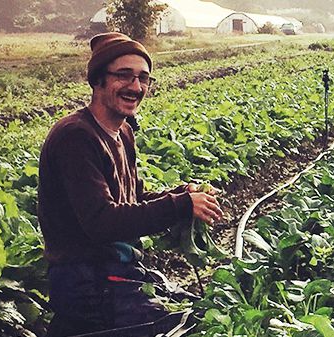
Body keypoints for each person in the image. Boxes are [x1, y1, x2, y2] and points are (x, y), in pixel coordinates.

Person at [37, 32, 224, 336]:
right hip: (87, 282)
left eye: (143, 78)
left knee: (196, 312)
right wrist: (179, 206)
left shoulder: (122, 133)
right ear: (98, 80)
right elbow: (102, 222)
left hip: (117, 272)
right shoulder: (76, 137)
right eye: (124, 76)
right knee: (189, 327)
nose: (136, 87)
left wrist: (183, 195)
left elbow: (133, 200)